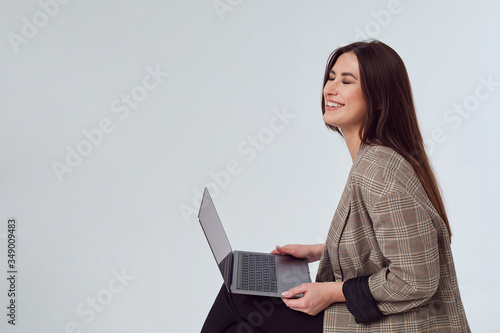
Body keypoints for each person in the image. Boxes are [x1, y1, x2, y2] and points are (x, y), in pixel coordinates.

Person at [201, 40, 470, 332]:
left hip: (398, 325)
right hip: (385, 318)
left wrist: (329, 292)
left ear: (378, 99)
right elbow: (388, 242)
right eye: (331, 78)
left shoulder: (378, 170)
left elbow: (416, 278)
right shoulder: (376, 157)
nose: (331, 89)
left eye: (346, 81)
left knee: (236, 295)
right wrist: (319, 251)